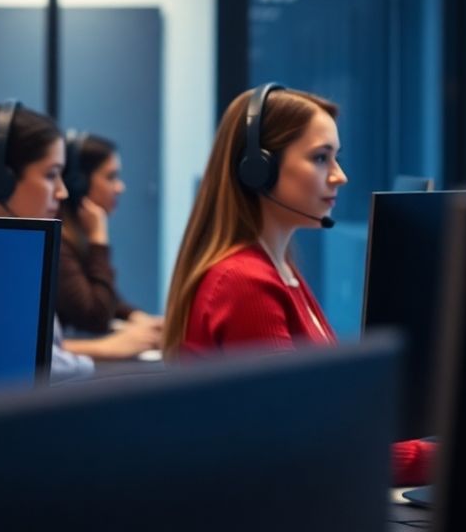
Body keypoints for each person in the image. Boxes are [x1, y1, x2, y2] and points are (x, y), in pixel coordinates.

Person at [162, 83, 433, 486]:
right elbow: (307, 447)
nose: (340, 176)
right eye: (321, 158)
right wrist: (444, 457)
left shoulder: (279, 270)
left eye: (336, 157)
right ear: (257, 169)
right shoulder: (245, 283)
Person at [0, 102, 159, 382]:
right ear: (0, 181)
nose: (62, 191)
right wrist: (106, 353)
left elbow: (39, 351)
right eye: (51, 175)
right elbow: (33, 363)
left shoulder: (4, 246)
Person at [57, 131, 163, 334]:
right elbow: (96, 316)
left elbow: (107, 296)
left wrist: (139, 318)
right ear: (79, 184)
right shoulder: (59, 246)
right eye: (111, 177)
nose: (120, 187)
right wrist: (99, 240)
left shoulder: (75, 236)